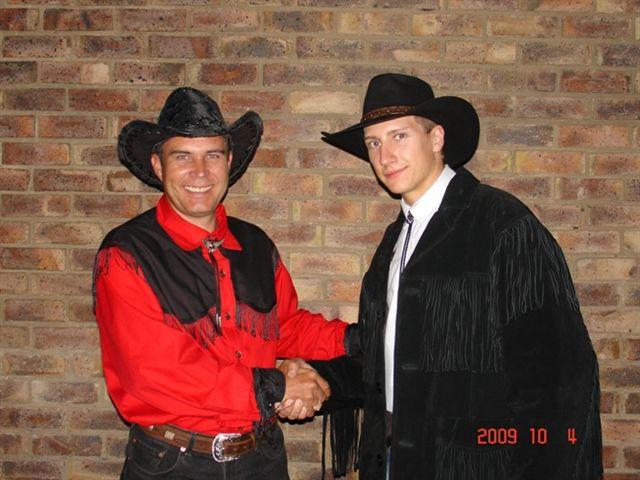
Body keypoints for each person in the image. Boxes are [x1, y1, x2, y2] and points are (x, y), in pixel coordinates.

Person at [314, 73, 603, 479]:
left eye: (399, 136)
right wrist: (319, 377)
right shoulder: (394, 242)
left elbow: (558, 383)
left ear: (436, 138)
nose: (385, 156)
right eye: (373, 143)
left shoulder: (503, 225)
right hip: (395, 461)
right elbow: (387, 357)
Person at [93, 87, 353, 480]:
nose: (200, 172)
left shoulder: (255, 244)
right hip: (174, 465)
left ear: (229, 162)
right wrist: (278, 387)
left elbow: (284, 326)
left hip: (262, 458)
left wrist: (354, 340)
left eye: (212, 155)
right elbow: (158, 372)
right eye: (182, 156)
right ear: (158, 165)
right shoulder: (126, 253)